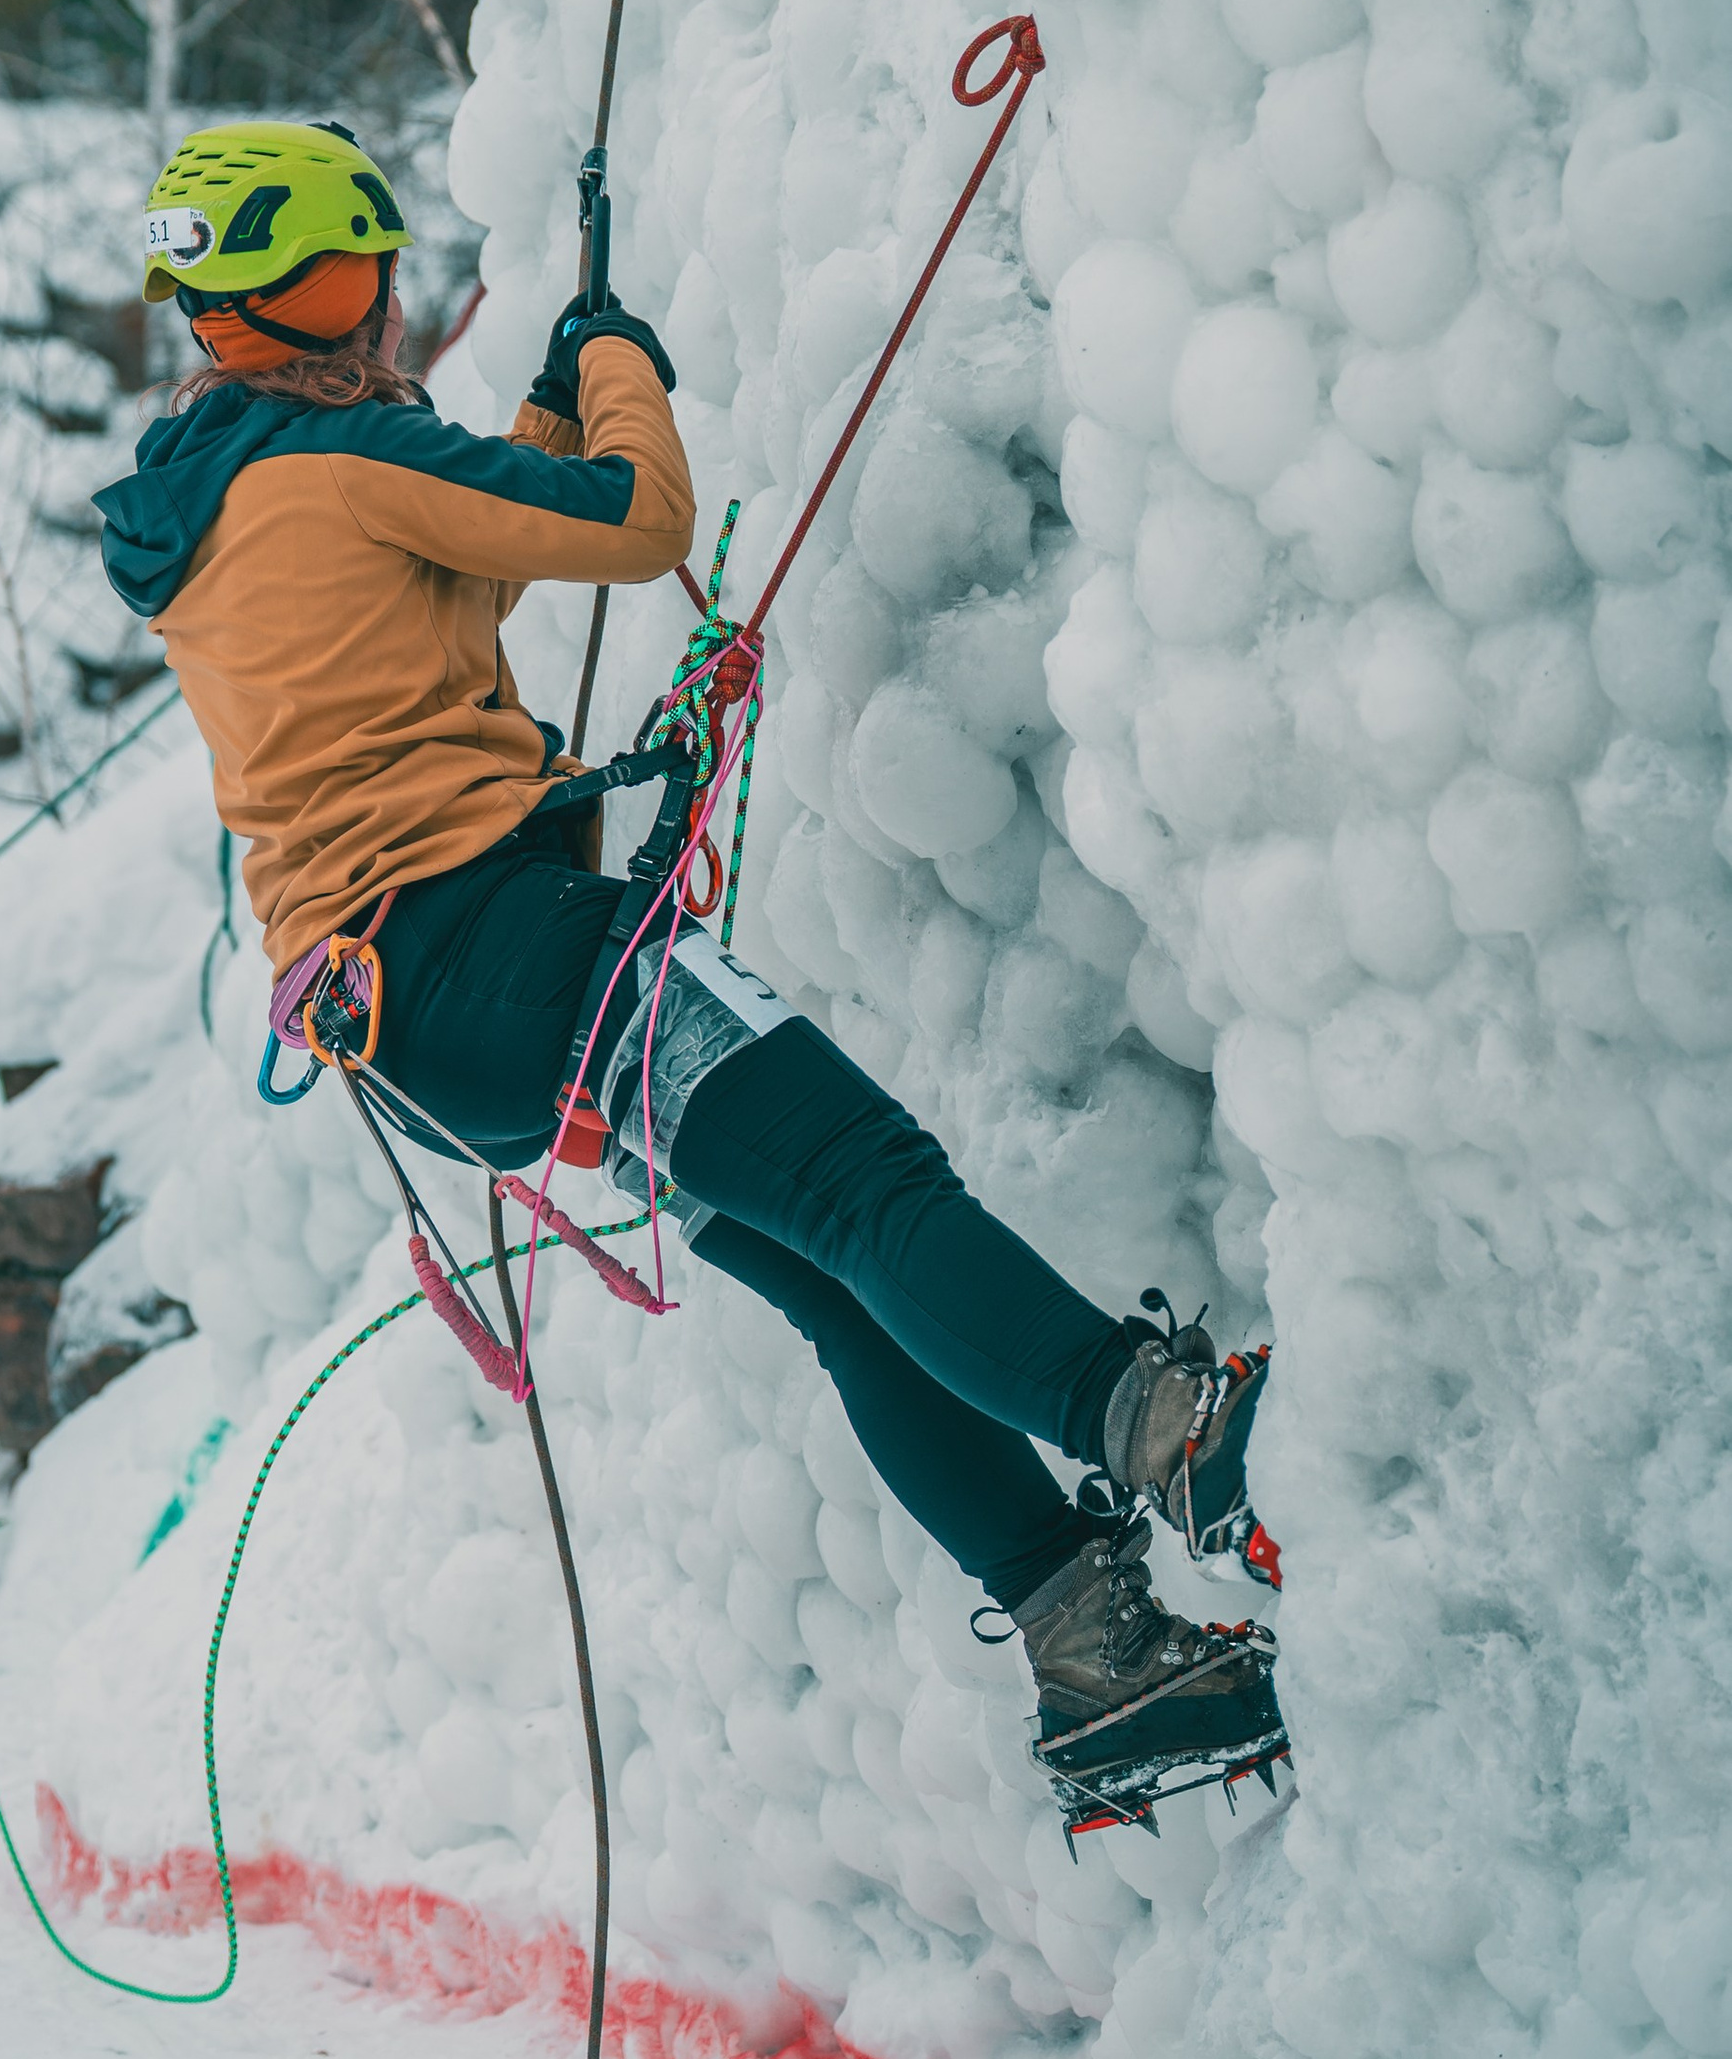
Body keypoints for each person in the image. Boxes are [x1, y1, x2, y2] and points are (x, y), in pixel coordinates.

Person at [98, 121, 1283, 1819]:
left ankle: (1095, 1654)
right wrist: (622, 369)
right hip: (506, 951)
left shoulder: (218, 498)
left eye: (376, 275)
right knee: (868, 1184)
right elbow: (635, 520)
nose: (378, 307)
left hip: (426, 1026)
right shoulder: (331, 468)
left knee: (826, 1269)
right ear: (285, 289)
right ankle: (1155, 1421)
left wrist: (556, 393)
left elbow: (450, 549)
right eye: (354, 274)